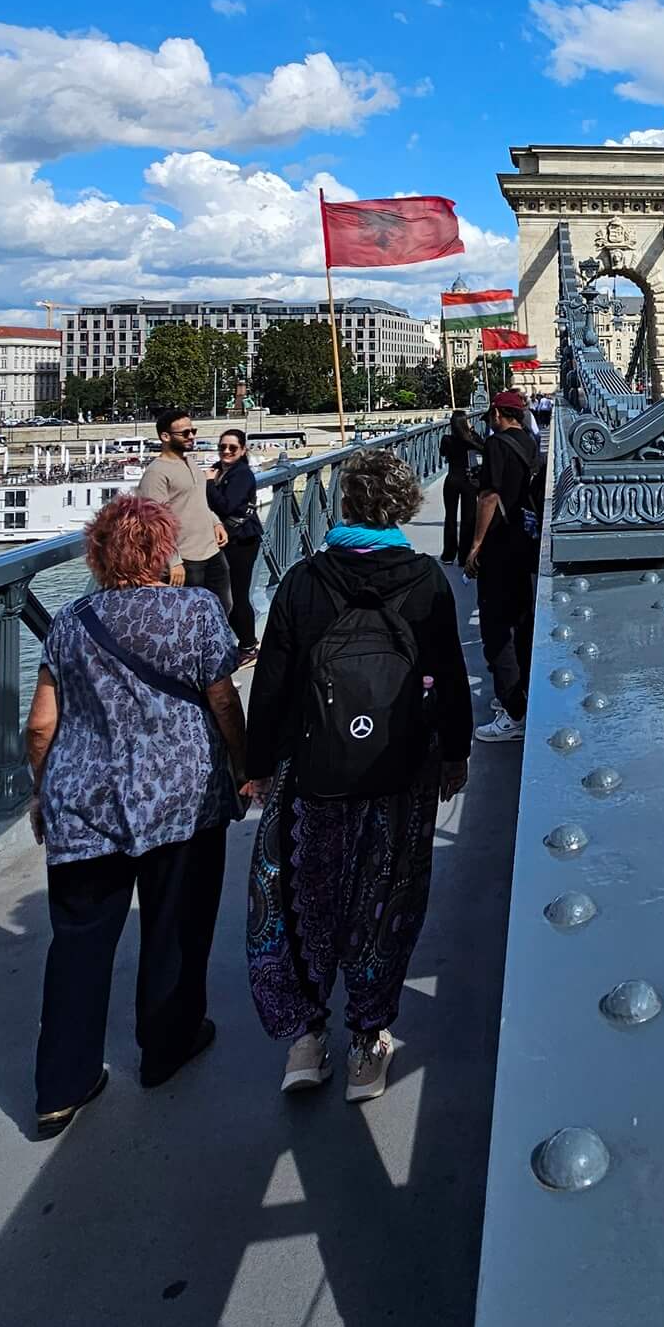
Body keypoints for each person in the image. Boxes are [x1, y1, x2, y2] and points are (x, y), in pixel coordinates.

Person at [242, 445, 472, 1102]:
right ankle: (369, 1043)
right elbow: (450, 679)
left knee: (302, 901)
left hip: (313, 775)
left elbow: (275, 687)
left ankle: (306, 1042)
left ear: (344, 503)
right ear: (404, 507)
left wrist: (259, 769)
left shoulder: (304, 582)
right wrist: (455, 753)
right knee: (386, 901)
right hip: (401, 774)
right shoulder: (426, 579)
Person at [26, 494, 244, 1136]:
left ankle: (61, 1087)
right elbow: (223, 700)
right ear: (164, 551)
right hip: (181, 800)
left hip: (84, 806)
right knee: (176, 928)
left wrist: (45, 793)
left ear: (96, 556)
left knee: (78, 944)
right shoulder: (196, 611)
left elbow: (41, 727)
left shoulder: (68, 621)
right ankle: (165, 1047)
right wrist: (241, 764)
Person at [466, 387, 542, 743]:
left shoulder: (497, 445)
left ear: (497, 414)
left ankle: (513, 712)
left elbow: (489, 496)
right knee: (522, 622)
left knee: (496, 628)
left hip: (499, 545)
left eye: (490, 416)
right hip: (525, 542)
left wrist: (476, 544)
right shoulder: (531, 443)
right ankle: (522, 694)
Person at [138, 407, 232, 619]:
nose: (192, 437)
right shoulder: (156, 473)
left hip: (212, 552)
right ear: (165, 436)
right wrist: (173, 561)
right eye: (185, 433)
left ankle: (217, 650)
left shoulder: (190, 462)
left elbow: (197, 500)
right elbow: (154, 523)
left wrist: (215, 522)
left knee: (223, 609)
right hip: (186, 559)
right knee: (191, 618)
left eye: (193, 431)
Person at [208, 427, 262, 658]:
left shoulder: (242, 474)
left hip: (242, 539)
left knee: (236, 594)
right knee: (223, 593)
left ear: (242, 450)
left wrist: (209, 484)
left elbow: (226, 506)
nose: (226, 451)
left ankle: (248, 645)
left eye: (232, 448)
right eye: (222, 447)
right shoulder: (219, 470)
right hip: (225, 539)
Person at [438, 406, 482, 564]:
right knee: (468, 518)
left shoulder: (446, 439)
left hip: (451, 480)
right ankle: (464, 556)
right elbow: (483, 448)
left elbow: (443, 453)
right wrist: (472, 431)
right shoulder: (470, 440)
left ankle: (448, 554)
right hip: (468, 480)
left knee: (450, 517)